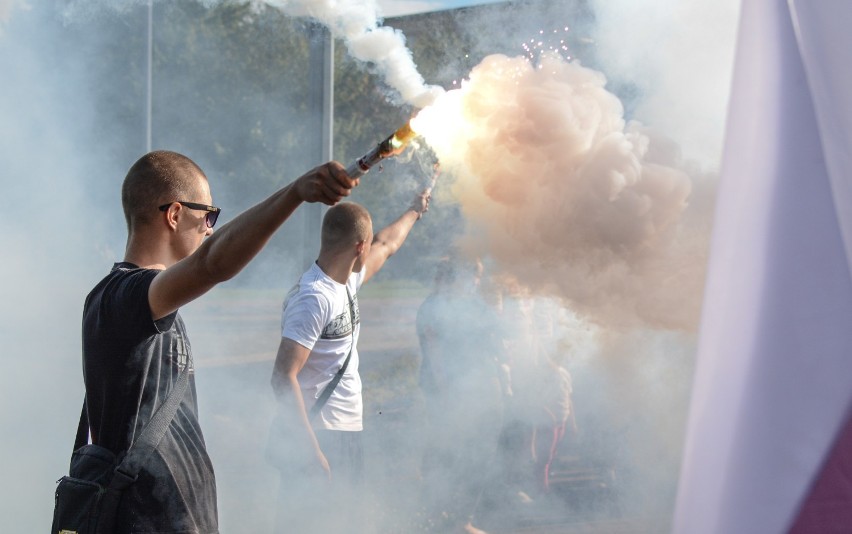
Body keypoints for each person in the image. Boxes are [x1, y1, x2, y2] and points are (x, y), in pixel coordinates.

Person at [81, 150, 357, 533]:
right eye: (208, 216)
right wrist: (295, 193)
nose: (210, 229)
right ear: (175, 214)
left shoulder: (138, 302)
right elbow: (213, 263)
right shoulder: (123, 297)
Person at [268, 191, 430, 532]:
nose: (372, 249)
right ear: (359, 247)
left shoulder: (346, 281)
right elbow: (283, 376)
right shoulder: (314, 297)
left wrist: (414, 211)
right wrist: (310, 449)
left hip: (343, 432)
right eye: (367, 245)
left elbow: (387, 243)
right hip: (318, 434)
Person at [415, 257, 505, 534]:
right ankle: (445, 517)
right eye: (472, 276)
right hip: (450, 394)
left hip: (476, 389)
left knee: (475, 453)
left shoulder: (472, 304)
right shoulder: (433, 306)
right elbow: (435, 355)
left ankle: (458, 517)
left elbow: (494, 334)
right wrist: (449, 396)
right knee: (450, 453)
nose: (476, 282)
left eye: (478, 276)